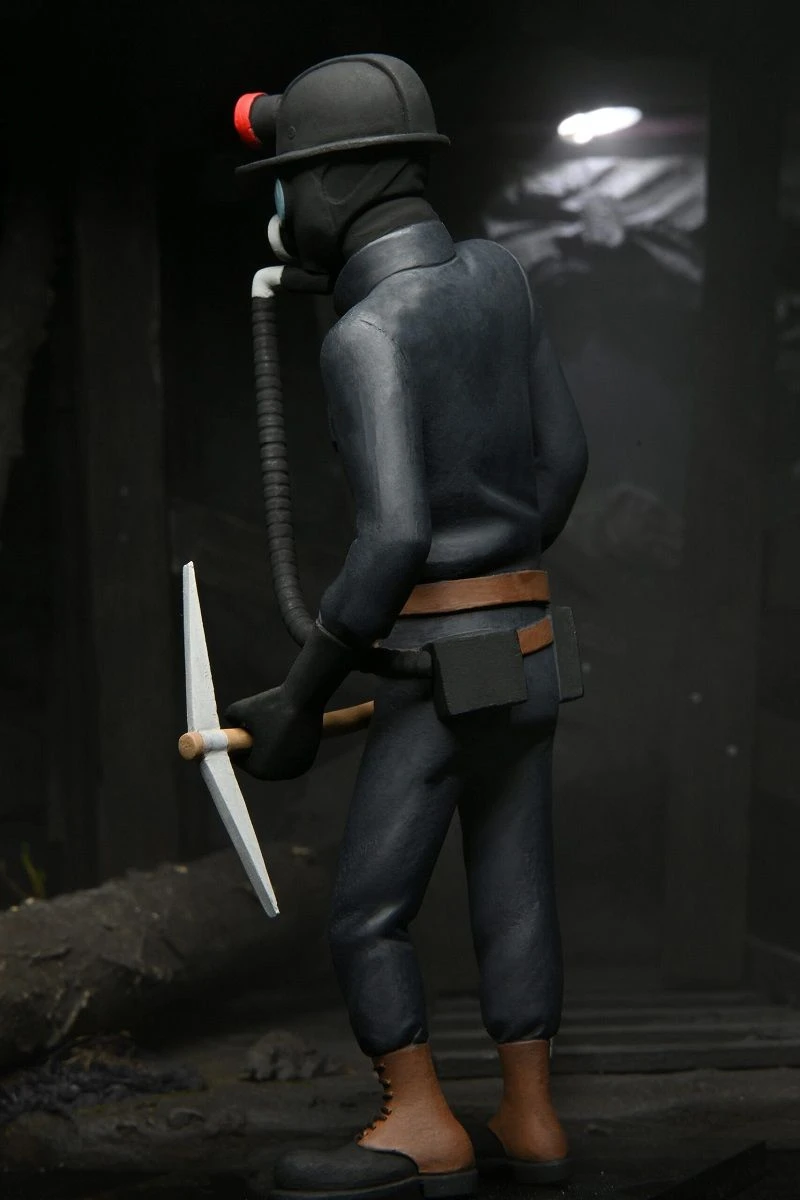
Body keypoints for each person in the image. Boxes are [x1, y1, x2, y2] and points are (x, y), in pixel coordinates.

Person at [226, 53, 588, 1200]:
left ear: (334, 185)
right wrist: (496, 573)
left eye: (288, 181)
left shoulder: (367, 332)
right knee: (513, 884)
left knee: (368, 911)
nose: (282, 207)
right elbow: (564, 459)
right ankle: (531, 1116)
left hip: (438, 669)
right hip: (531, 652)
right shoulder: (500, 277)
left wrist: (300, 694)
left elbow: (390, 539)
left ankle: (420, 1121)